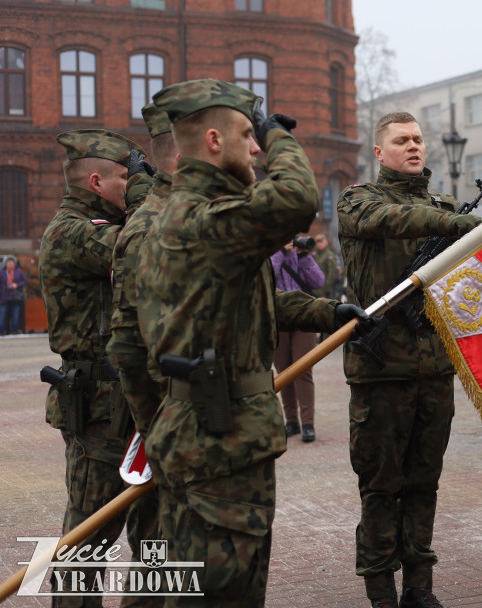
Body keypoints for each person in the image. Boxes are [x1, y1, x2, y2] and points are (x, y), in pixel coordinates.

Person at [135, 78, 365, 607]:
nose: (257, 149)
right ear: (215, 141)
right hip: (217, 440)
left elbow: (252, 304)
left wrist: (329, 312)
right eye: (248, 135)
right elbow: (295, 199)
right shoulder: (200, 216)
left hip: (210, 433)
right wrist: (279, 134)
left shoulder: (196, 216)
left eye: (258, 137)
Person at [336, 111, 482, 608]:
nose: (413, 147)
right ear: (380, 152)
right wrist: (451, 223)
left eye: (418, 139)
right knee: (381, 487)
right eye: (402, 141)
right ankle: (380, 592)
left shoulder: (444, 204)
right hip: (381, 371)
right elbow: (388, 220)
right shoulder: (359, 200)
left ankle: (420, 587)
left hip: (435, 368)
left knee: (424, 483)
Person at [39, 128, 153, 608]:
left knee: (155, 537)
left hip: (139, 402)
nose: (133, 184)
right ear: (95, 182)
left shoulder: (112, 224)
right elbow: (148, 249)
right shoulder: (72, 232)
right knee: (88, 539)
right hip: (99, 410)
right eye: (126, 177)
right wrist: (151, 193)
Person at [104, 103, 178, 608]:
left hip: (163, 403)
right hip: (141, 405)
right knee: (116, 529)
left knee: (163, 534)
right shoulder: (144, 224)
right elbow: (128, 341)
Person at [271, 236, 324, 442]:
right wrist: (281, 253)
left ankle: (308, 423)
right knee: (285, 372)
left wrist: (304, 257)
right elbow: (269, 278)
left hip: (304, 317)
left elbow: (318, 281)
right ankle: (291, 421)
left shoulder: (300, 255)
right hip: (278, 319)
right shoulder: (271, 254)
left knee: (303, 369)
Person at [0, 257, 27, 335]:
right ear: (6, 264)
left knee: (15, 315)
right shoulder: (2, 272)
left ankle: (14, 331)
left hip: (16, 298)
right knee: (3, 316)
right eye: (9, 263)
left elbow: (25, 281)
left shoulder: (18, 272)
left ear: (14, 264)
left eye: (12, 263)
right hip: (4, 298)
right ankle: (2, 331)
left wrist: (17, 285)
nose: (10, 264)